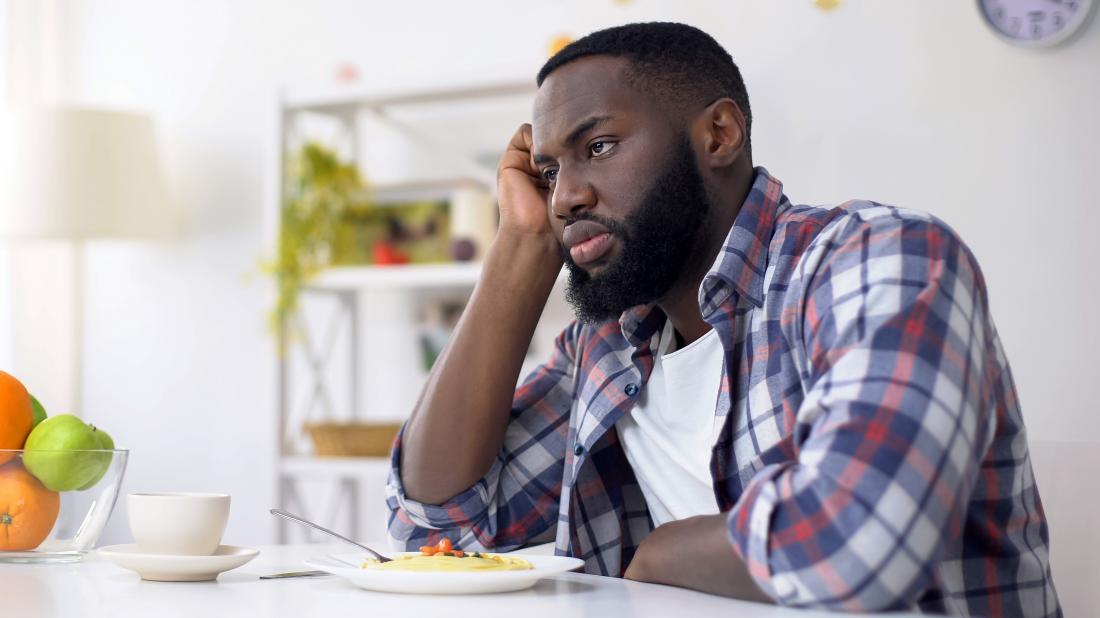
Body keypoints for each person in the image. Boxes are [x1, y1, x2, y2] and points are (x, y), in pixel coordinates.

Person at [385, 22, 1060, 616]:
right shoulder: (608, 347)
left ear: (720, 134)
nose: (565, 196)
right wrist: (521, 248)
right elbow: (439, 530)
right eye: (550, 171)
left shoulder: (878, 260)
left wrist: (661, 556)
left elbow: (859, 541)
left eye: (598, 148)